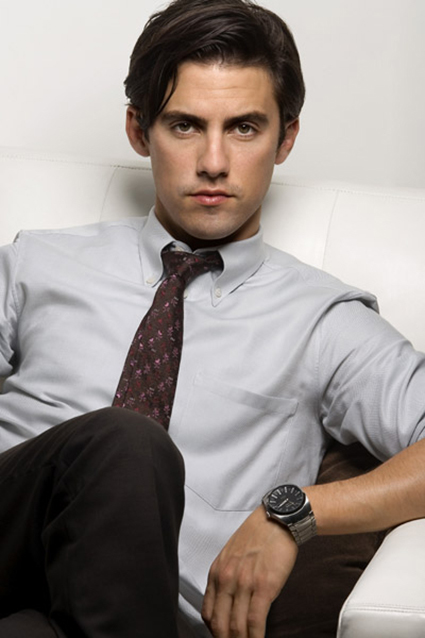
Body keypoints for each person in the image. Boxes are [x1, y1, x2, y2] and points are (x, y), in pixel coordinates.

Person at [0, 0, 424, 637]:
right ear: (139, 131)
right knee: (125, 442)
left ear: (286, 139)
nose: (215, 162)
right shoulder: (38, 260)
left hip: (119, 613)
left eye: (245, 128)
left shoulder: (324, 321)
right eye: (185, 126)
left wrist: (296, 512)